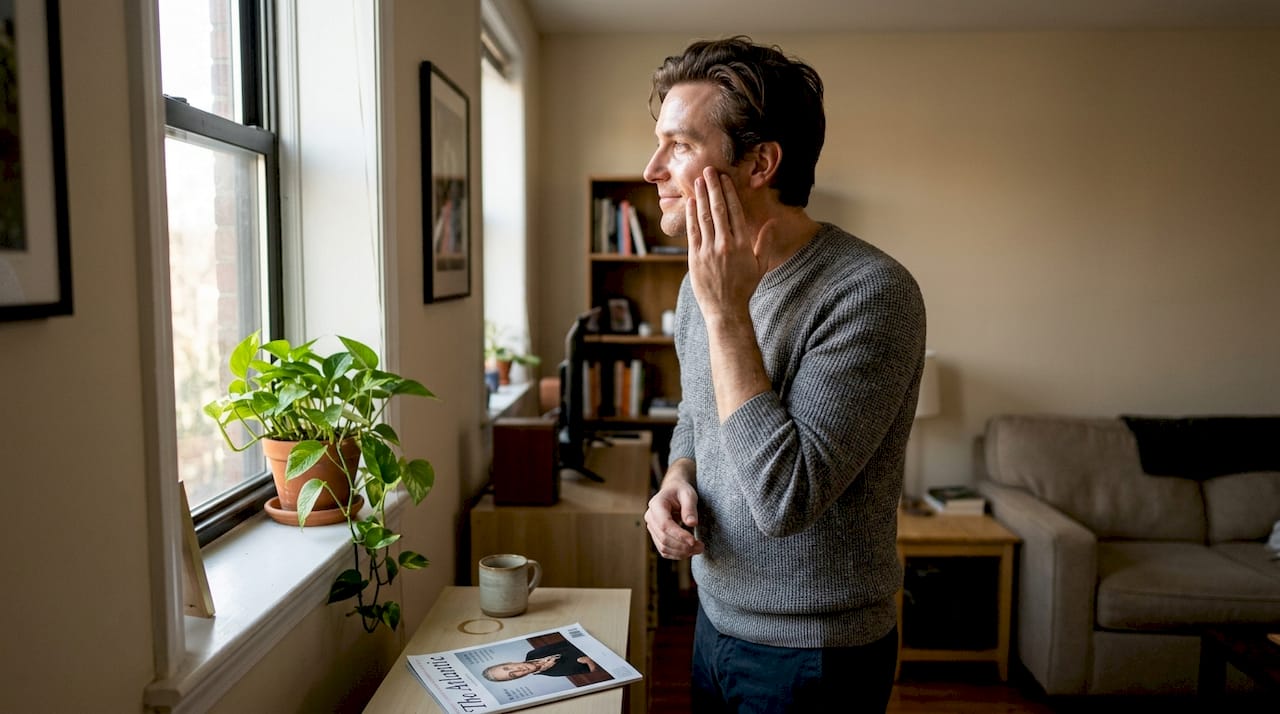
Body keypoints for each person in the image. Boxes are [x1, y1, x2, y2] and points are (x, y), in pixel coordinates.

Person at [640, 36, 927, 713]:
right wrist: (676, 477)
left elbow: (785, 499)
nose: (653, 168)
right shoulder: (698, 289)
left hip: (817, 657)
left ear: (761, 162)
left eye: (679, 146)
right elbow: (696, 414)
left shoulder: (870, 292)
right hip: (714, 626)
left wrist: (728, 316)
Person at [481, 638, 599, 682]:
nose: (518, 670)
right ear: (519, 677)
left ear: (509, 663)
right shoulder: (553, 674)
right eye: (512, 675)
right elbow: (592, 671)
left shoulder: (532, 654)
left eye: (508, 668)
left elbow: (567, 642)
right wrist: (589, 661)